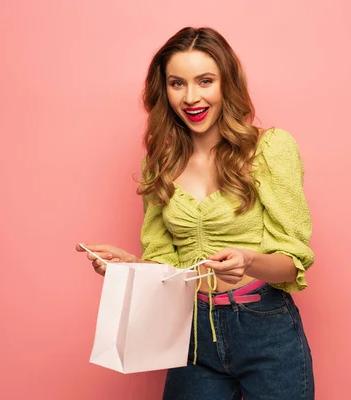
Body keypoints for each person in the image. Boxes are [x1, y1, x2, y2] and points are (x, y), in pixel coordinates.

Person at [76, 26, 315, 400]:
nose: (191, 97)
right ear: (164, 90)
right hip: (191, 334)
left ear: (227, 84)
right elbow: (168, 266)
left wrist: (249, 260)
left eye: (205, 81)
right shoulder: (160, 163)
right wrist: (129, 268)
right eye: (177, 83)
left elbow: (293, 262)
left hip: (265, 326)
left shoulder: (271, 149)